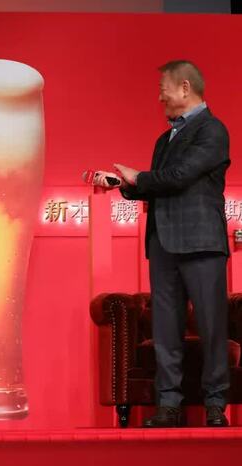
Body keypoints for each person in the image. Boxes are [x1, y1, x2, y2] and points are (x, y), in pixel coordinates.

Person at [96, 60, 230, 427]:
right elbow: (160, 186)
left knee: (212, 326)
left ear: (185, 88)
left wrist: (140, 177)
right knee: (165, 329)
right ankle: (169, 404)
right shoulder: (164, 139)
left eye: (163, 89)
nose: (159, 97)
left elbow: (181, 176)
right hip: (163, 244)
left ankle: (215, 403)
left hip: (201, 243)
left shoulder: (212, 130)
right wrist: (124, 185)